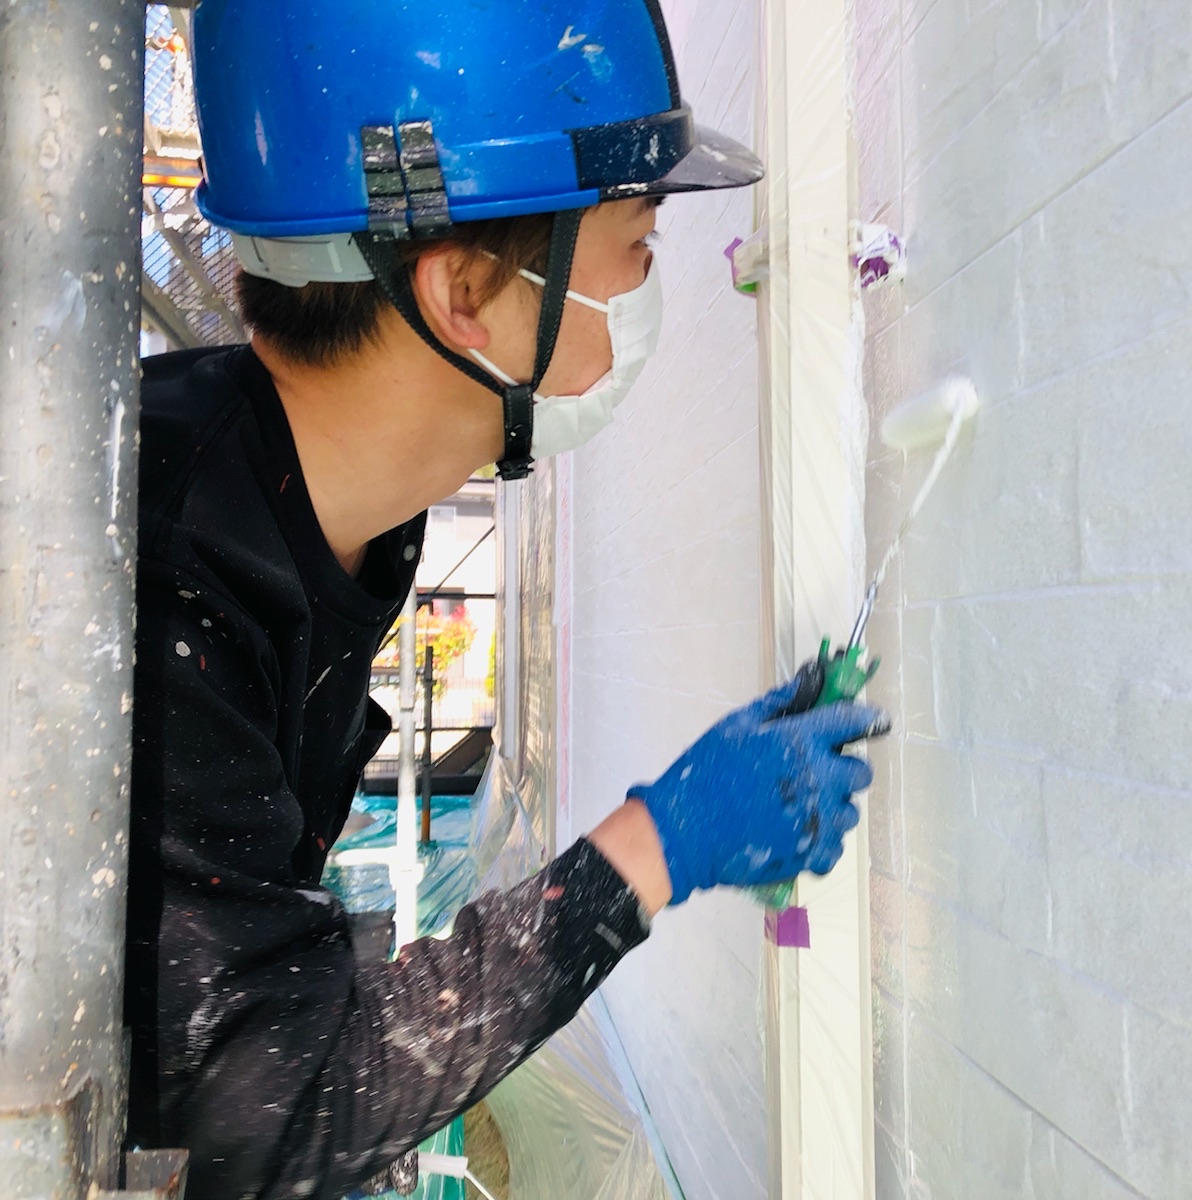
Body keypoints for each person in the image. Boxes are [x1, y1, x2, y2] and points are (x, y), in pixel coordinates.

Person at [125, 4, 886, 1197]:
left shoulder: (309, 503)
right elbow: (272, 1111)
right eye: (637, 245)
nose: (648, 288)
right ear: (465, 295)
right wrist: (656, 844)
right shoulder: (154, 588)